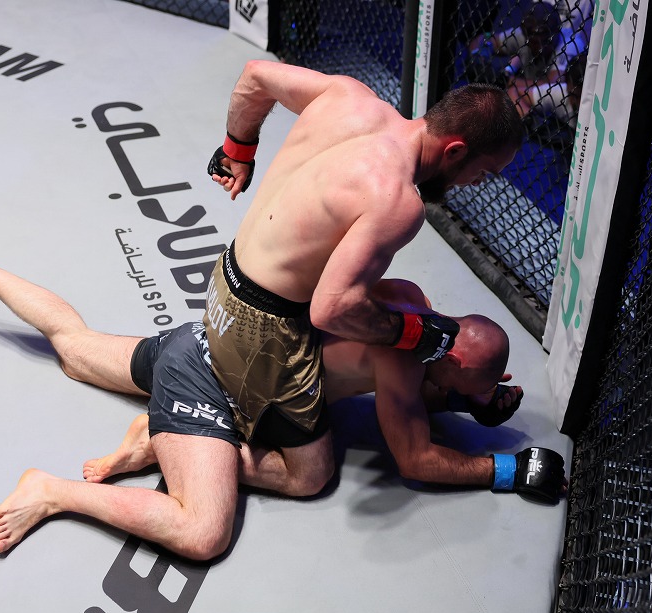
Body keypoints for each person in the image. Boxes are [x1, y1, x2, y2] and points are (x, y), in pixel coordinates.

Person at [0, 238, 566, 559]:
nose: (490, 394)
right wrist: (505, 469)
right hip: (207, 384)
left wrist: (470, 400)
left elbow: (422, 386)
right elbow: (416, 458)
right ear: (451, 361)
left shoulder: (409, 302)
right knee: (206, 529)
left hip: (211, 339)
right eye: (484, 383)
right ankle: (56, 489)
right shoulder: (406, 359)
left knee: (75, 347)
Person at [201, 60, 525, 502]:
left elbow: (254, 76)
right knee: (312, 474)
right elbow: (331, 309)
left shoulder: (350, 96)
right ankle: (199, 444)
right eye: (482, 174)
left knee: (402, 298)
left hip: (223, 280)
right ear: (454, 151)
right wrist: (414, 335)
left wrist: (237, 150)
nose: (474, 184)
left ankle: (458, 387)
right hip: (257, 333)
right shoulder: (399, 200)